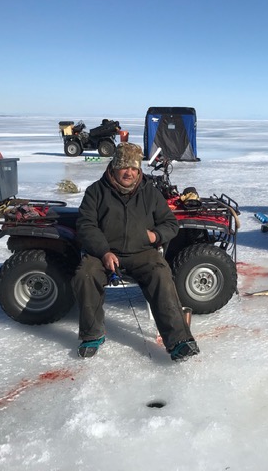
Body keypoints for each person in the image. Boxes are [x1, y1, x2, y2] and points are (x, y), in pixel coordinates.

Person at [71, 142, 199, 361]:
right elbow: (86, 225)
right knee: (85, 274)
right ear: (113, 167)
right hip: (104, 254)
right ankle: (92, 335)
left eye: (134, 168)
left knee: (161, 273)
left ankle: (179, 340)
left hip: (142, 253)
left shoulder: (150, 193)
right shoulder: (96, 191)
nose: (129, 172)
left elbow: (170, 223)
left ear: (139, 170)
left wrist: (155, 236)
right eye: (124, 167)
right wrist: (103, 252)